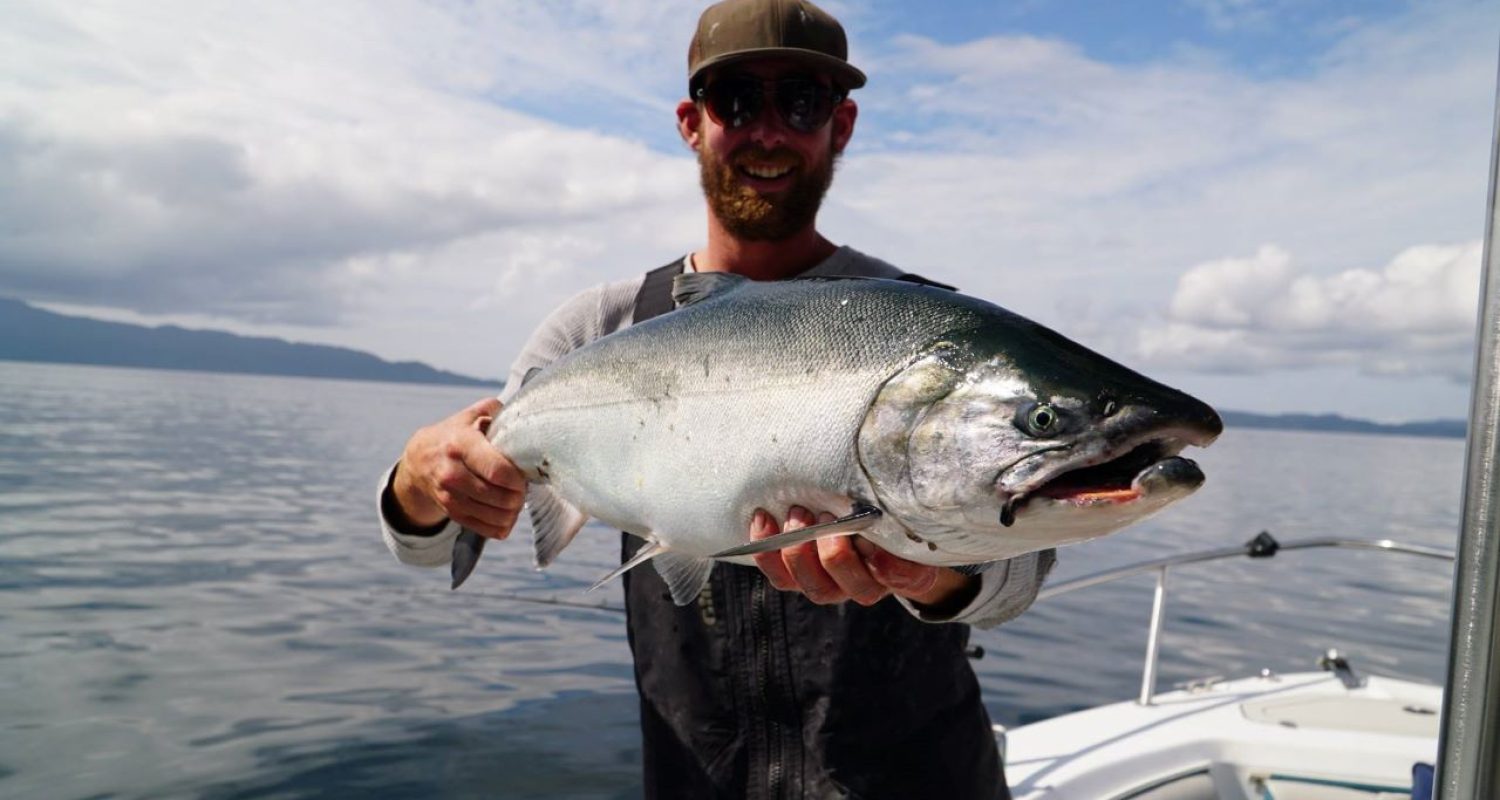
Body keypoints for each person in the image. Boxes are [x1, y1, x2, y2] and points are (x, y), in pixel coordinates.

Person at [378, 1, 1055, 796]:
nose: (767, 132)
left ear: (841, 125)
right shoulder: (597, 329)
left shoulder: (916, 328)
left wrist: (931, 575)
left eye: (798, 101)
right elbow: (432, 543)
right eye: (735, 100)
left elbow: (1024, 570)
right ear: (690, 122)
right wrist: (418, 485)